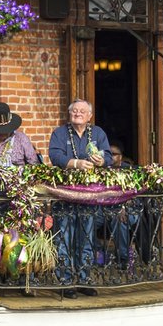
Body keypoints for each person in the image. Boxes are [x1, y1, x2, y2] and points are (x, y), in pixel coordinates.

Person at [48, 100, 112, 296]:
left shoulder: (98, 133)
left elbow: (108, 157)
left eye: (82, 111)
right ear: (69, 114)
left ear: (89, 116)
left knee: (86, 237)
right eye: (74, 110)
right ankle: (65, 281)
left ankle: (83, 278)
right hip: (65, 195)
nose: (78, 113)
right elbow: (55, 156)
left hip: (88, 196)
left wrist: (101, 161)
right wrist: (75, 163)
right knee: (64, 238)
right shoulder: (59, 133)